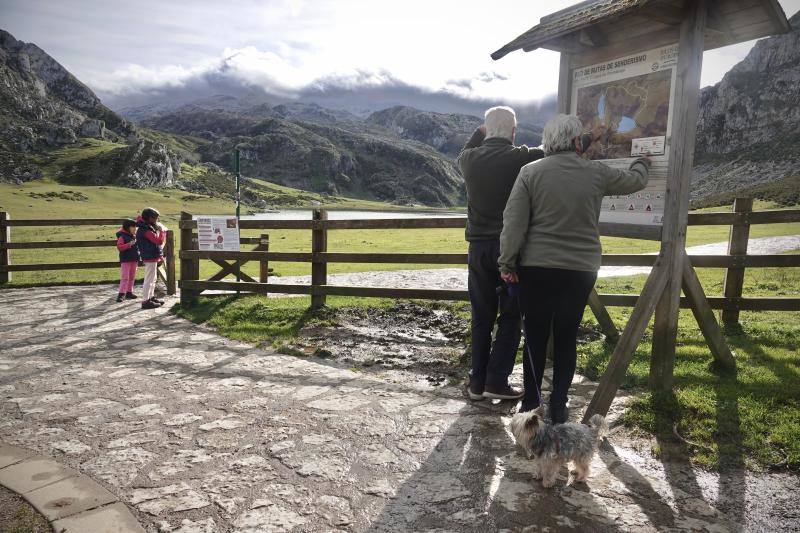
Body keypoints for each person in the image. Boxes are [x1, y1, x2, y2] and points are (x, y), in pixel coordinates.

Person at [498, 114, 650, 422]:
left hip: (536, 268)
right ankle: (559, 404)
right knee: (567, 336)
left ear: (549, 141)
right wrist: (643, 162)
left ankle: (530, 404)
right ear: (575, 141)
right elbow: (635, 182)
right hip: (580, 270)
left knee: (536, 337)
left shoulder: (530, 172)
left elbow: (513, 224)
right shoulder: (595, 172)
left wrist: (507, 262)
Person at [457, 106, 544, 401]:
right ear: (514, 131)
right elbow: (549, 150)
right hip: (510, 248)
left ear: (484, 129)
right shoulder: (521, 158)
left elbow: (468, 146)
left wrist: (482, 130)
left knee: (481, 315)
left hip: (478, 248)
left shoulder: (468, 159)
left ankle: (476, 381)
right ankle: (497, 380)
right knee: (510, 314)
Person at [136, 207, 167, 310]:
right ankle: (145, 301)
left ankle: (150, 297)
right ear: (149, 218)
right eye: (155, 218)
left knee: (152, 278)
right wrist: (162, 231)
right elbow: (158, 241)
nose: (157, 220)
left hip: (151, 256)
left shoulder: (147, 227)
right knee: (149, 279)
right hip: (149, 256)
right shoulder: (145, 230)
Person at [115, 219, 139, 302]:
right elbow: (119, 247)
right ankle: (121, 294)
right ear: (128, 227)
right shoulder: (122, 236)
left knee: (132, 277)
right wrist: (129, 245)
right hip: (126, 260)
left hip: (134, 259)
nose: (135, 228)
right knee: (125, 277)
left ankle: (129, 292)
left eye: (135, 227)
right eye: (133, 227)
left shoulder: (134, 236)